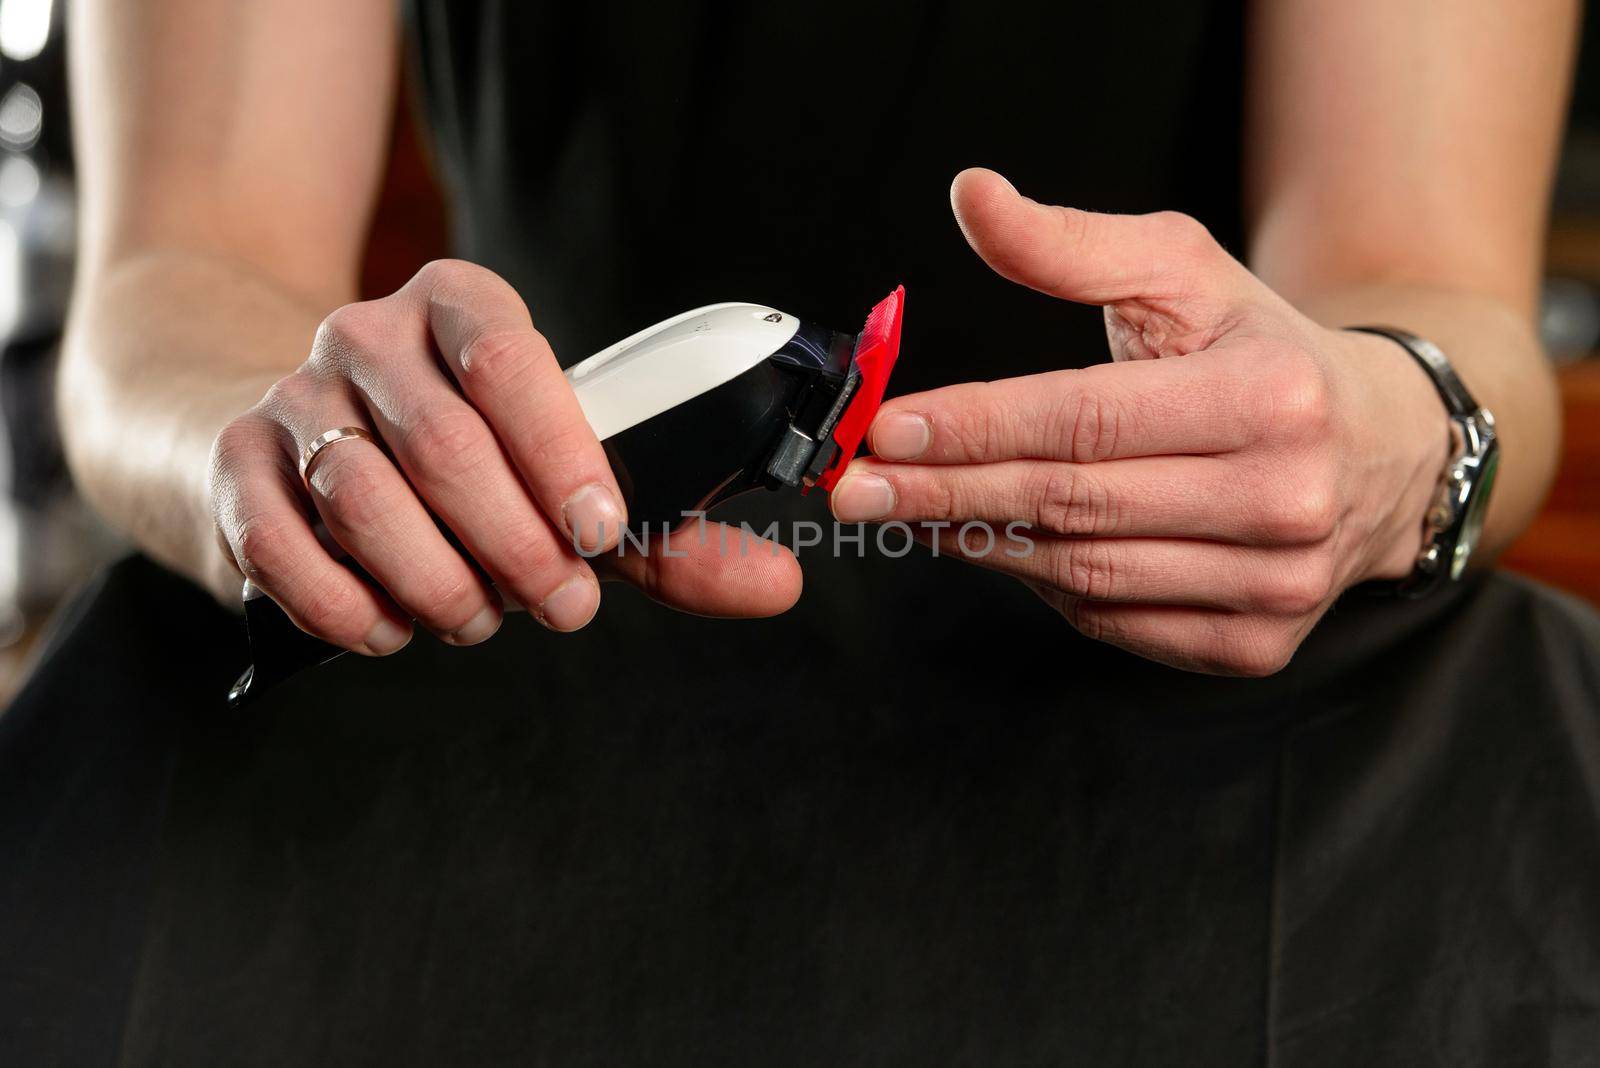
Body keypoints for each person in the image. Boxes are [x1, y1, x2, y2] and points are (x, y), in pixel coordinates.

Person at [3, 0, 1598, 1063]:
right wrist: (295, 459)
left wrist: (1386, 436)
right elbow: (179, 275)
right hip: (497, 627)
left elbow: (1426, 280)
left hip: (1227, 729)